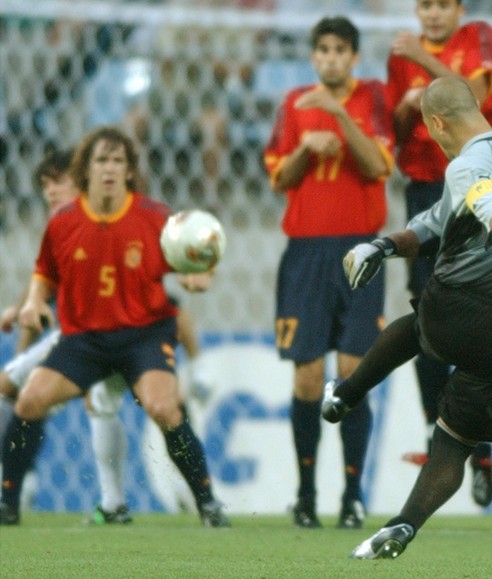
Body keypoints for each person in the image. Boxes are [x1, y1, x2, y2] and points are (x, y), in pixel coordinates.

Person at [321, 76, 492, 559]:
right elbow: (436, 221)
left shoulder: (466, 164)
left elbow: (488, 199)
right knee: (454, 440)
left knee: (424, 316)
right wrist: (384, 246)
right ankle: (403, 526)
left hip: (464, 310)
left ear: (438, 122)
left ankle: (345, 393)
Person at [0, 126, 229, 527]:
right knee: (29, 400)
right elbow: (45, 273)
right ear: (85, 170)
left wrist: (198, 278)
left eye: (118, 160)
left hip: (144, 334)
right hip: (84, 339)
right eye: (101, 160)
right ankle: (8, 503)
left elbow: (195, 263)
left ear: (129, 171)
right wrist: (35, 301)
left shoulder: (155, 217)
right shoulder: (64, 222)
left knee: (163, 407)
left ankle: (208, 504)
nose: (109, 168)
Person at [262, 16, 393, 530]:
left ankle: (353, 497)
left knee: (354, 375)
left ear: (354, 56)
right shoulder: (294, 103)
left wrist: (339, 116)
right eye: (323, 50)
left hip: (360, 251)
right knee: (308, 376)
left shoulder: (373, 97)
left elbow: (379, 164)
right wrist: (304, 148)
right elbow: (279, 179)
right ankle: (305, 495)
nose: (331, 58)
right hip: (305, 253)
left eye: (340, 50)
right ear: (314, 56)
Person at [385, 0, 492, 507]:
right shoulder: (398, 57)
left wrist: (427, 68)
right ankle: (443, 434)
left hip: (477, 183)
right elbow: (391, 134)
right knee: (427, 316)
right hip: (425, 190)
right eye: (425, 5)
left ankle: (478, 439)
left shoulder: (478, 37)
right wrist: (406, 109)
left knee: (479, 313)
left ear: (459, 8)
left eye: (442, 5)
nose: (433, 15)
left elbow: (472, 97)